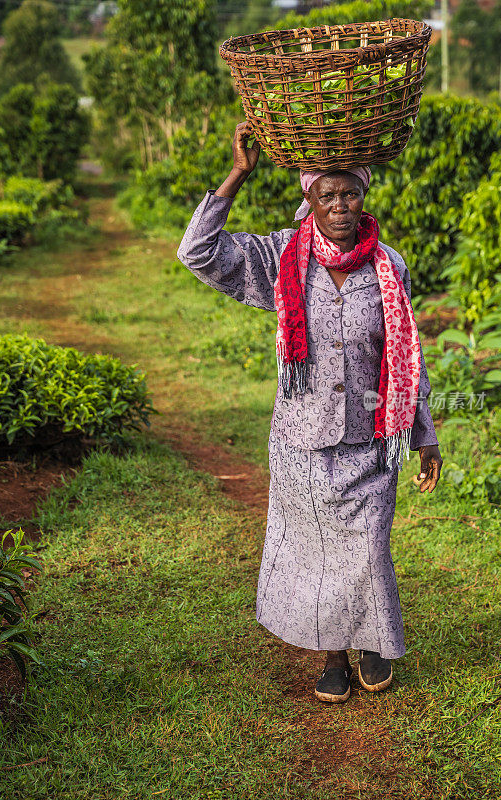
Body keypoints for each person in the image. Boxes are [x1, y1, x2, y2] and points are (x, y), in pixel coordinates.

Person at [177, 122, 442, 703]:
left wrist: (425, 435)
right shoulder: (280, 257)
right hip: (304, 440)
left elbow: (408, 352)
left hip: (373, 435)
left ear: (364, 196)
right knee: (320, 552)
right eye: (329, 195)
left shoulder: (387, 265)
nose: (341, 206)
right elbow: (196, 252)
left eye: (350, 194)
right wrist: (238, 173)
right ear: (310, 200)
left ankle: (373, 640)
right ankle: (334, 656)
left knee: (370, 546)